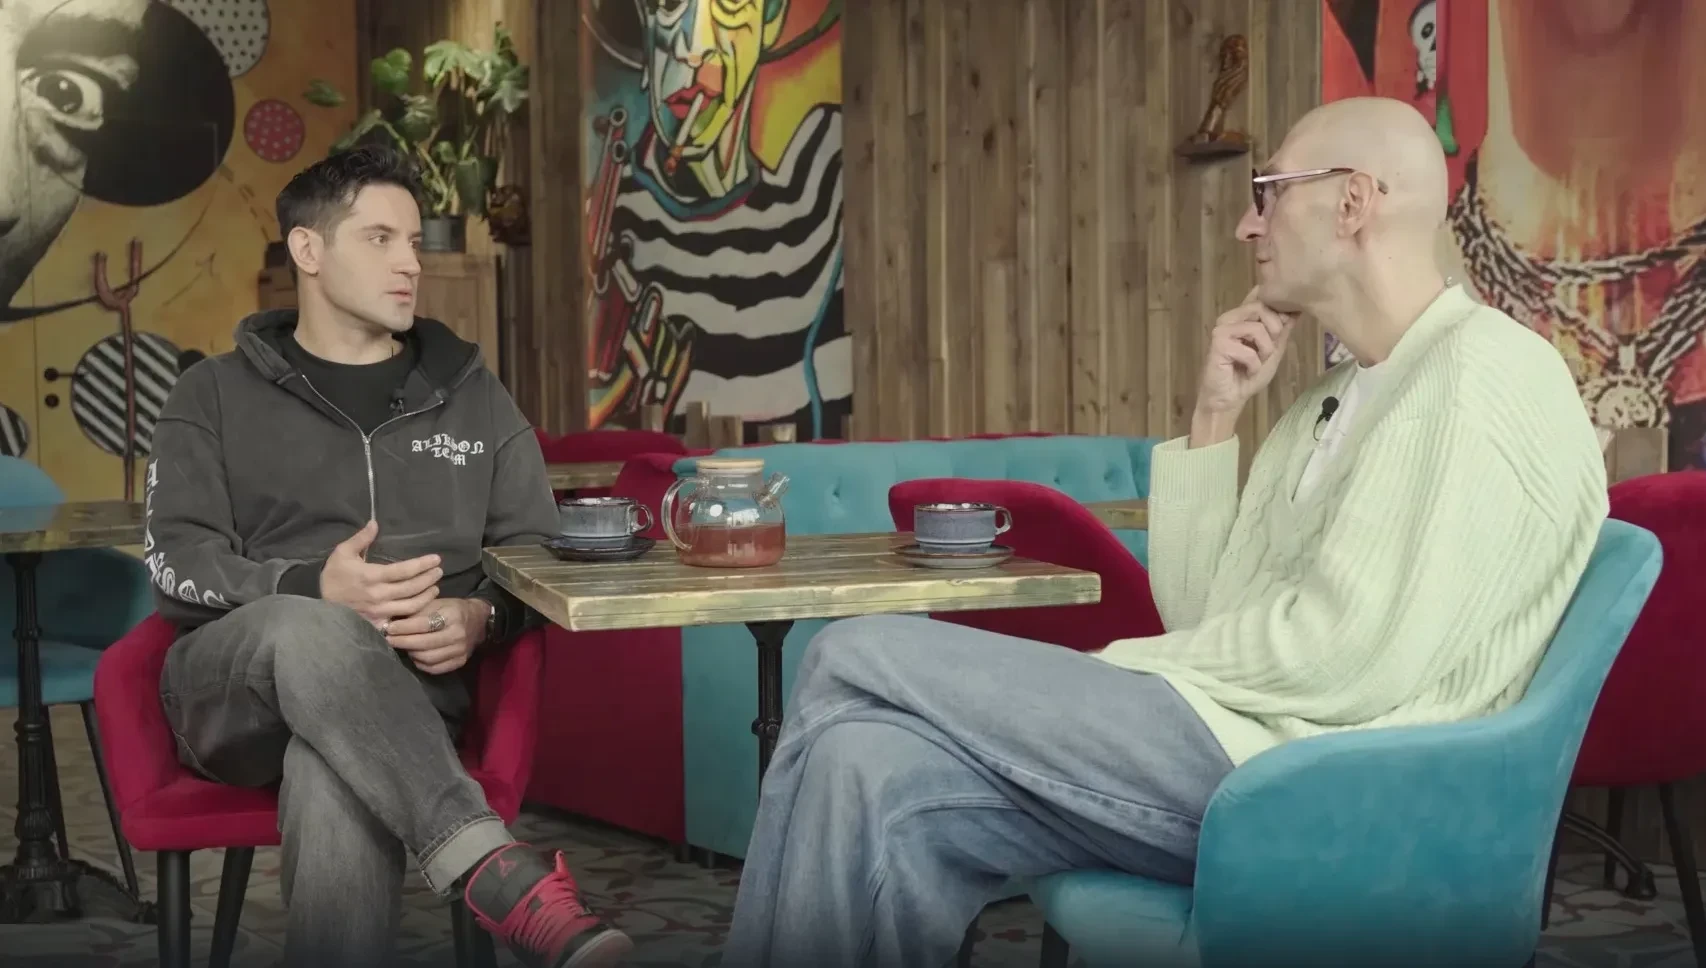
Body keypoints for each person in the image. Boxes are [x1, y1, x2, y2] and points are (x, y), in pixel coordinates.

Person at [721, 96, 1610, 967]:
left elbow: (1347, 659)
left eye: (1269, 192)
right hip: (1238, 747)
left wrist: (1117, 670)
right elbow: (1202, 612)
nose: (1247, 225)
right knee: (860, 762)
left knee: (850, 649)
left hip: (1327, 784)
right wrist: (1215, 417)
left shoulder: (1482, 373)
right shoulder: (1330, 402)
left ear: (1352, 202)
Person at [145, 145, 632, 968]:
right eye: (379, 239)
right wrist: (309, 585)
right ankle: (492, 867)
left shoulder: (473, 395)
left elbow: (535, 554)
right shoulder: (212, 394)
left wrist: (482, 617)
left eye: (412, 241)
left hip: (404, 704)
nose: (410, 263)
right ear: (308, 250)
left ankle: (493, 875)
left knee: (331, 768)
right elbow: (174, 560)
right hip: (232, 697)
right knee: (311, 625)